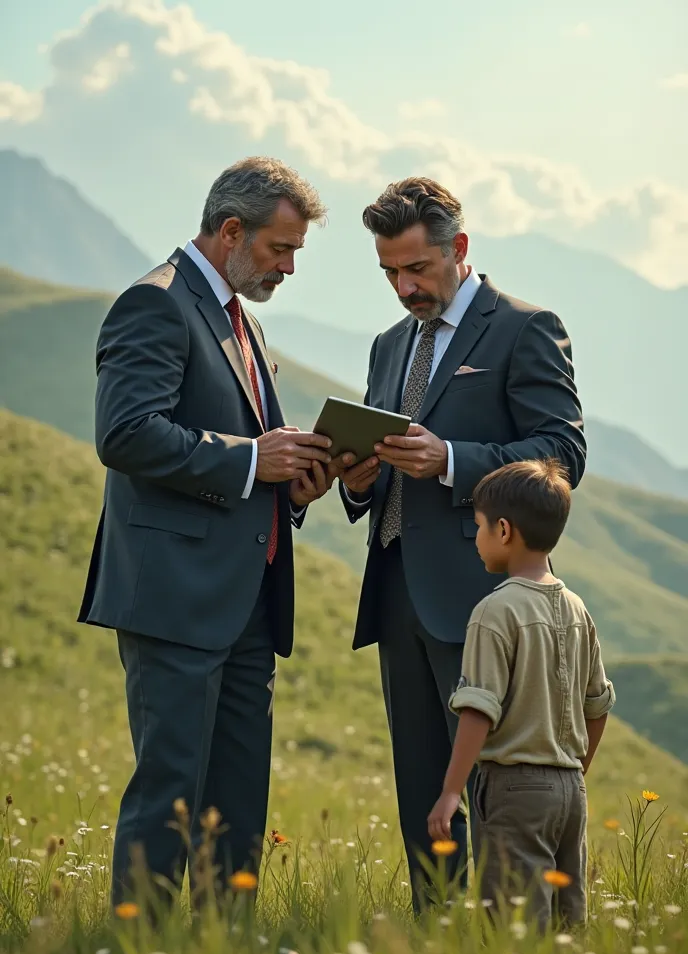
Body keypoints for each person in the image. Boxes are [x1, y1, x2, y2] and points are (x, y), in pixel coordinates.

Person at [78, 157, 345, 907]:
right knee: (170, 789)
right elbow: (125, 434)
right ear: (231, 230)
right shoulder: (154, 304)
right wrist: (251, 458)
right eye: (279, 249)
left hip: (249, 599)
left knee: (237, 797)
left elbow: (242, 456)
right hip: (175, 595)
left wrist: (292, 478)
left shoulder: (244, 320)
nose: (290, 267)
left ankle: (228, 951)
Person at [339, 177, 586, 912]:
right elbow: (384, 467)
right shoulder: (388, 346)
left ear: (461, 249)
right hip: (395, 596)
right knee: (421, 781)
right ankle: (437, 931)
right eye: (390, 271)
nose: (404, 286)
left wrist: (451, 460)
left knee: (495, 784)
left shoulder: (525, 327)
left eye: (417, 268)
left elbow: (561, 453)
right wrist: (357, 481)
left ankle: (513, 935)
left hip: (488, 598)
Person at [428, 459, 615, 929]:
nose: (476, 539)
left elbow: (477, 710)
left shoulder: (494, 611)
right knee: (566, 924)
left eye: (478, 527)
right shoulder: (578, 610)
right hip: (571, 789)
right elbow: (598, 705)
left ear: (504, 530)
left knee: (513, 926)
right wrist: (573, 770)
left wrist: (452, 792)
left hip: (515, 791)